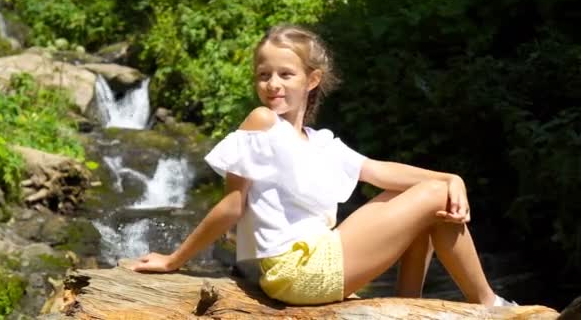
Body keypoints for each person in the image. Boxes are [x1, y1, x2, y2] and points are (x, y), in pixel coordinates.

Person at [132, 24, 516, 307]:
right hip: (295, 271)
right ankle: (489, 306)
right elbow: (233, 204)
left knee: (426, 198)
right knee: (432, 194)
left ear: (312, 79)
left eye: (286, 74)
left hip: (315, 258)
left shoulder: (321, 142)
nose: (272, 85)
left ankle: (407, 305)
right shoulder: (262, 123)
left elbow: (380, 172)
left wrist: (453, 178)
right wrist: (174, 260)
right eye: (263, 75)